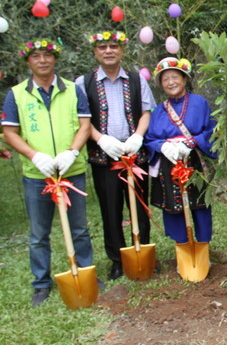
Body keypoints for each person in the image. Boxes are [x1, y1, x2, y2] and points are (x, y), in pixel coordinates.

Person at [2, 37, 95, 306]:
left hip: (71, 171)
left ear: (55, 58)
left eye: (47, 55)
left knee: (79, 228)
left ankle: (86, 273)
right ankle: (41, 284)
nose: (42, 61)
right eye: (36, 57)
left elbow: (85, 125)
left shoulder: (72, 89)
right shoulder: (17, 94)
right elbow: (9, 132)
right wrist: (35, 156)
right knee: (38, 233)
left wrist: (72, 152)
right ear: (28, 61)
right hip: (37, 175)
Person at [75, 30, 156, 280]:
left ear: (121, 50)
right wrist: (101, 139)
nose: (108, 51)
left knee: (140, 207)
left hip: (134, 153)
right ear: (95, 52)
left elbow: (146, 111)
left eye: (113, 46)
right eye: (102, 47)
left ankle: (143, 253)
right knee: (110, 209)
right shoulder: (83, 83)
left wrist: (138, 136)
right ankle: (118, 260)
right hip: (104, 155)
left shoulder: (135, 79)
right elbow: (82, 120)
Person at [144, 57, 216, 247]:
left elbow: (210, 130)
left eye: (175, 77)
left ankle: (203, 246)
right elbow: (150, 139)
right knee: (173, 207)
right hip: (169, 165)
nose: (171, 82)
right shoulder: (158, 111)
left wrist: (191, 142)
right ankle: (182, 246)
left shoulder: (199, 103)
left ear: (184, 79)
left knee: (200, 205)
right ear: (160, 84)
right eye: (165, 79)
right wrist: (163, 147)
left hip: (194, 160)